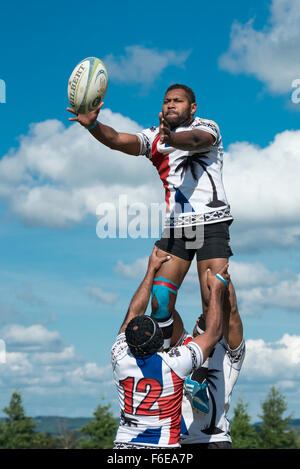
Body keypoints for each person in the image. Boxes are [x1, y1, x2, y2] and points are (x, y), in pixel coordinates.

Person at [67, 84, 234, 349]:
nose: (170, 105)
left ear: (192, 108)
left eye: (178, 101)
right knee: (161, 298)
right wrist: (93, 126)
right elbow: (118, 140)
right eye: (166, 100)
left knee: (211, 296)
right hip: (177, 227)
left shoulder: (207, 126)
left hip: (212, 222)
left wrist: (172, 139)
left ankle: (204, 371)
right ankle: (171, 358)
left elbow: (195, 141)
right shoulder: (153, 136)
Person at [111, 246, 230, 449]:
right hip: (163, 447)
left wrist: (150, 271)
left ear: (129, 339)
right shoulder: (174, 363)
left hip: (125, 445)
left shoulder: (119, 356)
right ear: (160, 342)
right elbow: (214, 334)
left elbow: (133, 312)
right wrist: (217, 292)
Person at [173, 282, 245, 449]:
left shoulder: (229, 353)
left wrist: (222, 277)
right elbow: (166, 311)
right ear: (197, 322)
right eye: (205, 322)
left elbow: (232, 312)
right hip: (177, 442)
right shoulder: (183, 346)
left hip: (214, 441)